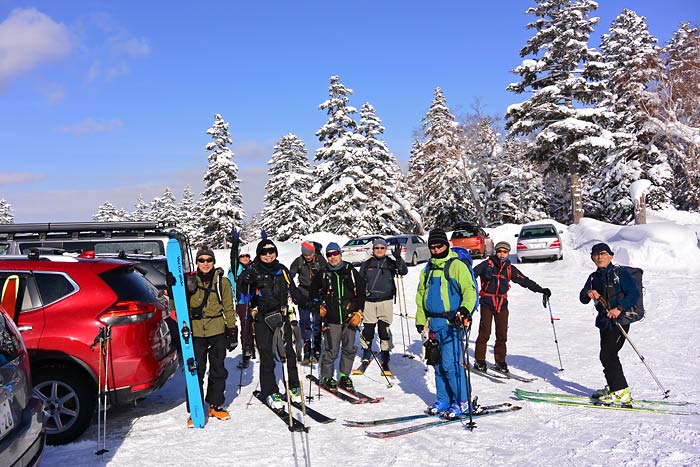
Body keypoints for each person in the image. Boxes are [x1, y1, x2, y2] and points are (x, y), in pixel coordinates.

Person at [415, 229, 477, 419]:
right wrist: (420, 319)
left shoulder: (456, 265)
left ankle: (463, 401)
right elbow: (420, 295)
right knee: (438, 365)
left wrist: (465, 309)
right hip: (433, 323)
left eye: (439, 246)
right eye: (432, 247)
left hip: (452, 323)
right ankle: (444, 400)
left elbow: (470, 290)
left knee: (451, 365)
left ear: (446, 245)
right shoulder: (427, 269)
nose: (435, 250)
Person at [239, 239, 306, 410]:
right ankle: (270, 391)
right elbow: (243, 297)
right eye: (264, 252)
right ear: (259, 255)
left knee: (289, 353)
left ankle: (293, 387)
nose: (268, 255)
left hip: (282, 316)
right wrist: (244, 281)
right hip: (262, 318)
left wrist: (304, 301)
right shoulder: (253, 271)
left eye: (271, 251)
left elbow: (293, 289)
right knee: (267, 356)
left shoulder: (281, 270)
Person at [472, 241, 550, 373]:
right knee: (485, 333)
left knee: (502, 335)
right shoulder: (487, 264)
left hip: (502, 304)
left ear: (508, 253)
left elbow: (524, 280)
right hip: (487, 302)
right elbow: (471, 275)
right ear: (496, 252)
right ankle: (479, 360)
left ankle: (500, 361)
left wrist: (540, 289)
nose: (502, 254)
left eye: (505, 252)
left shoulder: (509, 268)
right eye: (499, 251)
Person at [579, 242, 640, 404]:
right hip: (604, 322)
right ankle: (614, 387)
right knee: (607, 354)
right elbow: (582, 298)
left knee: (608, 355)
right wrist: (588, 292)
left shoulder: (620, 273)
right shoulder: (593, 277)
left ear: (611, 256)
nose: (600, 257)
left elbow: (634, 294)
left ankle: (621, 392)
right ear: (592, 258)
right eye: (596, 254)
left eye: (603, 253)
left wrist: (619, 309)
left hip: (620, 321)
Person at [184, 247, 238, 426]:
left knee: (218, 369)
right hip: (196, 331)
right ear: (197, 262)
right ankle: (196, 408)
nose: (205, 263)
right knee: (196, 371)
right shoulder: (189, 281)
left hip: (217, 329)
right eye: (202, 260)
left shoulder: (222, 282)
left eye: (209, 260)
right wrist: (172, 285)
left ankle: (215, 405)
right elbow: (176, 305)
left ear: (214, 262)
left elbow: (229, 307)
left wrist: (232, 330)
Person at [308, 242, 365, 392]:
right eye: (329, 255)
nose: (332, 257)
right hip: (331, 319)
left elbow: (361, 293)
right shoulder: (323, 272)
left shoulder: (350, 270)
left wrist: (359, 312)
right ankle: (326, 377)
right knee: (331, 350)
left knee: (349, 348)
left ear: (340, 254)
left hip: (350, 317)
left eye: (335, 254)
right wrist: (318, 306)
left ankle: (344, 376)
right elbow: (312, 293)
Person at [357, 237, 408, 374]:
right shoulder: (367, 264)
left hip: (386, 300)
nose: (379, 250)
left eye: (382, 248)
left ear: (385, 249)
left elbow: (403, 271)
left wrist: (399, 259)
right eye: (376, 248)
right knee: (368, 329)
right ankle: (366, 351)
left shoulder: (390, 263)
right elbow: (359, 282)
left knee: (383, 329)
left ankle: (385, 352)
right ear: (373, 249)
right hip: (369, 301)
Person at [289, 241, 327, 365]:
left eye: (310, 254)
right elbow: (290, 277)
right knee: (304, 322)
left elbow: (327, 275)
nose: (309, 257)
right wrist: (294, 293)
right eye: (306, 255)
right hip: (303, 293)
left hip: (318, 293)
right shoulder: (299, 261)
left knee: (317, 321)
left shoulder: (320, 260)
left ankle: (317, 347)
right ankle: (306, 347)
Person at [229, 249, 255, 367]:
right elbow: (233, 258)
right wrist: (235, 244)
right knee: (246, 325)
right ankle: (246, 350)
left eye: (247, 256)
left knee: (256, 324)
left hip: (255, 300)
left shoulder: (253, 267)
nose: (245, 258)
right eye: (242, 256)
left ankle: (256, 347)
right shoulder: (236, 269)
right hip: (242, 301)